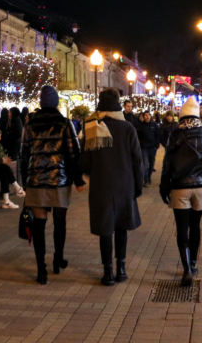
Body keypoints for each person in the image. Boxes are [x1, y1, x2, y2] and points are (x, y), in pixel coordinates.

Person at [78, 89, 144, 287]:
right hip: (124, 185)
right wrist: (137, 187)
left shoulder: (92, 128)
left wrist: (96, 171)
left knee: (105, 228)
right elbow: (137, 161)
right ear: (118, 104)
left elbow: (84, 163)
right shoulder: (128, 128)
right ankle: (121, 269)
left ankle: (108, 272)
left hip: (101, 186)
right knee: (121, 226)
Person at [23, 86, 85, 285]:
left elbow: (24, 155)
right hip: (59, 179)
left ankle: (42, 269)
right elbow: (73, 153)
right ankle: (58, 259)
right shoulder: (65, 123)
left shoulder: (30, 125)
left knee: (39, 224)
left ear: (41, 102)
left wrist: (26, 179)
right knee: (60, 221)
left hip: (36, 181)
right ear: (56, 102)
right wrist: (78, 179)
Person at [160, 96, 202, 287]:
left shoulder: (175, 136)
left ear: (181, 117)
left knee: (182, 228)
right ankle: (193, 263)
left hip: (180, 188)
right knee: (196, 225)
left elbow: (167, 164)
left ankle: (186, 269)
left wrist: (164, 186)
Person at [136, 111, 161, 186]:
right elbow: (138, 136)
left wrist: (156, 145)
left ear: (150, 116)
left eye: (148, 115)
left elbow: (158, 135)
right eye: (146, 115)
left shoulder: (154, 125)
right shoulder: (141, 126)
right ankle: (145, 179)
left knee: (151, 164)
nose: (147, 117)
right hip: (144, 148)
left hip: (152, 148)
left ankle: (149, 177)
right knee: (145, 164)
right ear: (143, 117)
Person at [4, 107, 25, 180]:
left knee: (13, 159)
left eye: (10, 112)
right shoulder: (11, 121)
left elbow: (17, 133)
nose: (8, 114)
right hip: (12, 143)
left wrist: (10, 133)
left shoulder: (17, 121)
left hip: (14, 144)